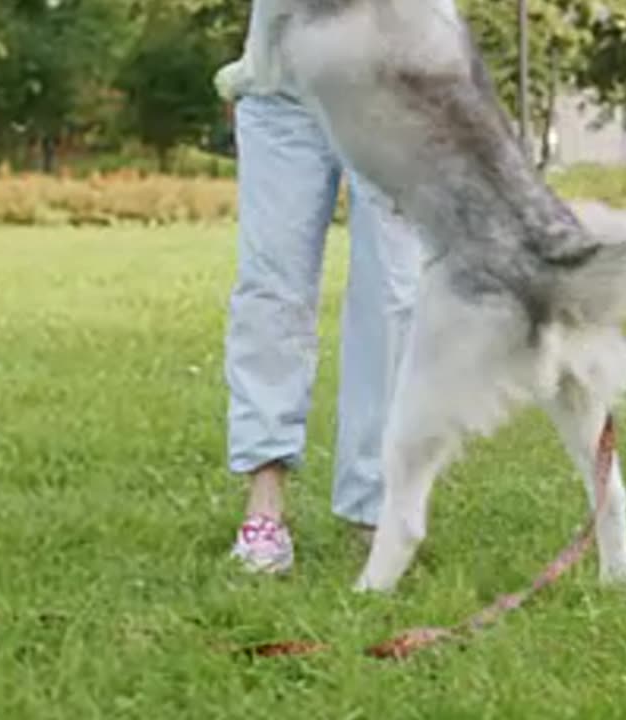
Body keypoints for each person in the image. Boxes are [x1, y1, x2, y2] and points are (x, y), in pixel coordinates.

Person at [213, 10, 421, 575]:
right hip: (282, 87)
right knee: (270, 288)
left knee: (394, 297)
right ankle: (265, 506)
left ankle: (375, 514)